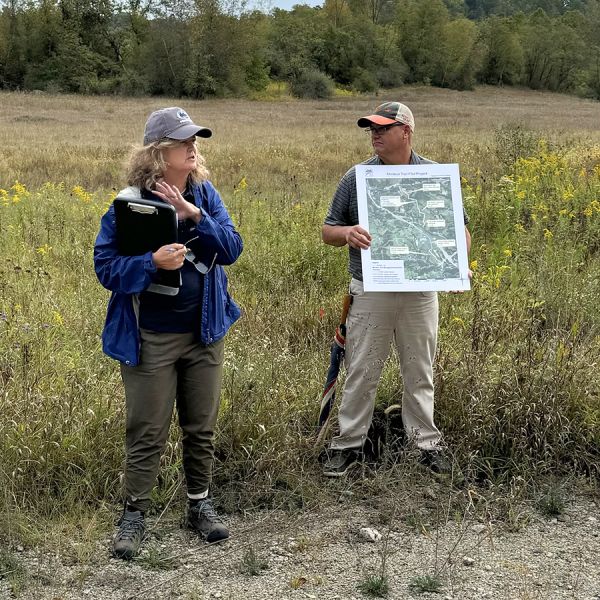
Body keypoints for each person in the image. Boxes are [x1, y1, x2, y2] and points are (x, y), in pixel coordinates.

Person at [94, 107, 243, 559]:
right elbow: (105, 266)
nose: (194, 149)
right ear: (158, 153)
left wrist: (196, 215)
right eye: (185, 143)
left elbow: (232, 249)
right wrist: (150, 263)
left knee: (201, 427)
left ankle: (199, 506)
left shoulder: (205, 194)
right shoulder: (128, 203)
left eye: (196, 141)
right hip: (151, 336)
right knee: (147, 430)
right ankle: (135, 514)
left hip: (205, 330)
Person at [321, 101, 471, 477]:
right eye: (371, 129)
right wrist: (347, 234)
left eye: (382, 129)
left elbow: (461, 231)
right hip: (371, 289)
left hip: (421, 292)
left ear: (405, 132)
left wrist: (454, 266)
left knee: (420, 369)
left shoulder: (435, 175)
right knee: (362, 368)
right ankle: (348, 444)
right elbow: (328, 230)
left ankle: (426, 444)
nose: (374, 135)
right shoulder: (357, 177)